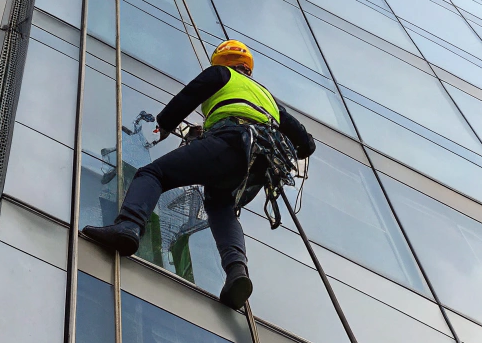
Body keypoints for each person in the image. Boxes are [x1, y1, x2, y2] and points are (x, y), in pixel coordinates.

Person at [81, 40, 315, 310]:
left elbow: (189, 96)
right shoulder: (269, 99)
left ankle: (128, 227)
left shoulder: (221, 74)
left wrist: (165, 124)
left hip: (230, 141)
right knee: (220, 206)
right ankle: (237, 271)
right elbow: (306, 145)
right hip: (257, 162)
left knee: (153, 173)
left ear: (222, 61)